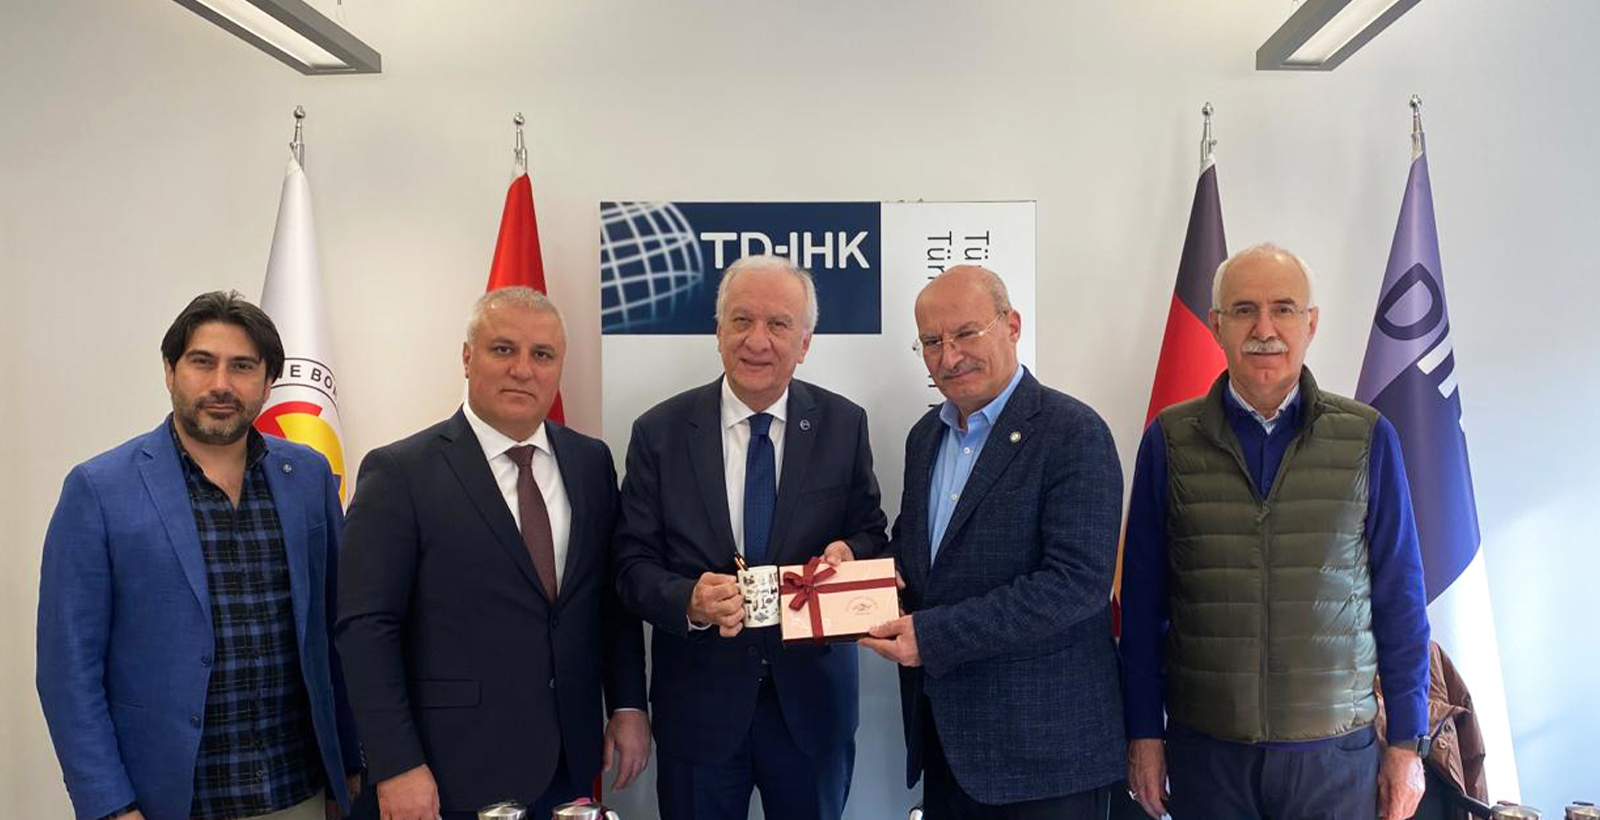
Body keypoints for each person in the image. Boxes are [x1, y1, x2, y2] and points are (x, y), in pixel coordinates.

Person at [1119, 242, 1432, 820]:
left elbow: (1401, 600)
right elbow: (1142, 607)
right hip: (1207, 755)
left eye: (1283, 308)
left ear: (1310, 324)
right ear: (1216, 325)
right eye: (1244, 310)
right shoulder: (1169, 441)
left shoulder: (1368, 438)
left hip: (1334, 759)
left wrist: (1409, 743)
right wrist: (1144, 732)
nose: (1264, 329)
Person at [37, 291, 361, 820]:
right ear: (170, 371)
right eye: (202, 362)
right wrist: (111, 806)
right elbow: (67, 669)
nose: (221, 384)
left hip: (297, 789)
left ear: (268, 382)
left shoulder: (307, 477)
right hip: (168, 801)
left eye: (242, 366)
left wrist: (349, 762)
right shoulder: (99, 489)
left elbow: (334, 631)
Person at [335, 287, 649, 820]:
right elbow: (366, 628)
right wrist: (395, 763)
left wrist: (627, 703)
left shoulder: (590, 462)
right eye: (503, 349)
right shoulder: (400, 472)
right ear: (467, 357)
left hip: (567, 762)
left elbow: (608, 600)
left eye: (542, 354)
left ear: (559, 367)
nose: (522, 370)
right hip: (445, 773)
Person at [612, 255, 888, 820]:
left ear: (805, 343)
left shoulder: (843, 424)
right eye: (741, 320)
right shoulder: (659, 433)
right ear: (718, 332)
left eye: (778, 324)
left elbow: (870, 533)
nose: (757, 340)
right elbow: (629, 562)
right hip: (698, 712)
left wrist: (849, 554)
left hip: (812, 708)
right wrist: (687, 601)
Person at [862, 265, 1125, 820]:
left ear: (1012, 325)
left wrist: (932, 636)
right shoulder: (925, 437)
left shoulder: (1074, 432)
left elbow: (1075, 585)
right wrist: (855, 573)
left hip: (1045, 757)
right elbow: (916, 552)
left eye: (965, 334)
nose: (949, 356)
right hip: (948, 747)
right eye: (932, 342)